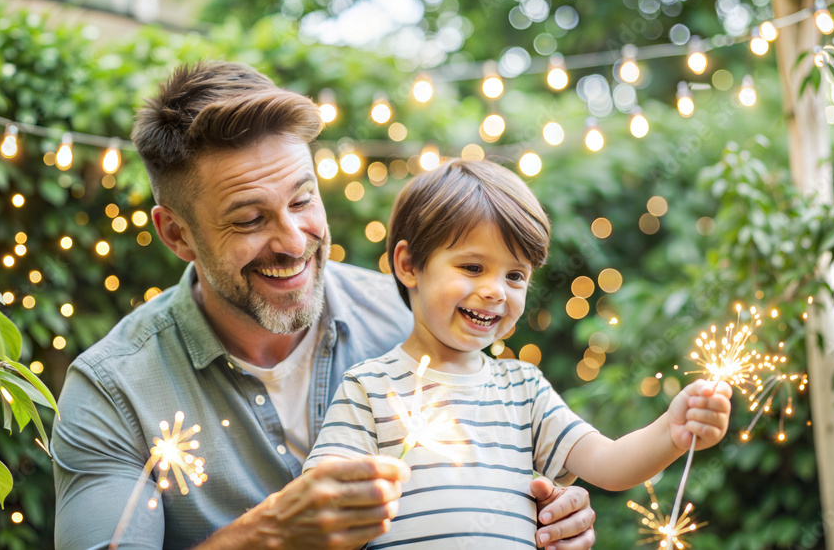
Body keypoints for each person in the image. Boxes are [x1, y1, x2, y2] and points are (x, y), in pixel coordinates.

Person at [51, 61, 597, 550]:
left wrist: (547, 516)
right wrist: (268, 536)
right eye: (248, 219)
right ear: (177, 235)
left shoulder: (415, 316)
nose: (293, 241)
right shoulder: (114, 391)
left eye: (302, 199)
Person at [303, 159, 733, 549]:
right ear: (409, 265)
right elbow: (317, 504)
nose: (495, 291)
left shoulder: (523, 390)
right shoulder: (369, 389)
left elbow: (609, 464)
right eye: (473, 267)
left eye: (515, 275)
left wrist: (672, 431)